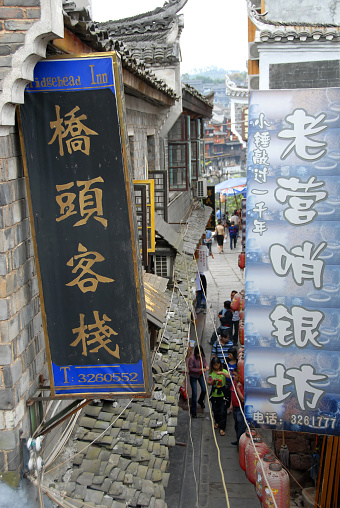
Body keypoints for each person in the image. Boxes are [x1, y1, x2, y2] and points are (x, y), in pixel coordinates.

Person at [208, 357, 230, 436]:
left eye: (217, 365)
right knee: (215, 410)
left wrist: (222, 373)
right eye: (215, 365)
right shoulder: (211, 373)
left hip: (222, 394)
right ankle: (217, 421)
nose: (216, 367)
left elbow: (229, 376)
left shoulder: (223, 371)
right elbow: (209, 382)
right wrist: (213, 381)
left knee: (222, 411)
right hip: (214, 394)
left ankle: (222, 427)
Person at [188, 345, 209, 418]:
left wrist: (206, 366)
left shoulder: (202, 356)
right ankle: (194, 411)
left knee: (204, 389)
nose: (200, 355)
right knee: (194, 393)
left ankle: (200, 400)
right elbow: (190, 369)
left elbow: (205, 362)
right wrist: (200, 370)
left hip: (200, 375)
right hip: (193, 376)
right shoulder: (192, 359)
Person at [231, 371, 246, 446]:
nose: (234, 377)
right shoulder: (233, 382)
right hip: (234, 407)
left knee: (241, 427)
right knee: (236, 426)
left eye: (235, 375)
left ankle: (240, 444)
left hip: (240, 408)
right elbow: (232, 393)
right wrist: (231, 405)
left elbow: (243, 399)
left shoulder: (242, 385)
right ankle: (238, 441)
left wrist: (238, 388)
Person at [225, 346, 238, 411]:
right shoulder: (226, 361)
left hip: (233, 382)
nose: (229, 356)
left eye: (230, 354)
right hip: (226, 382)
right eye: (228, 354)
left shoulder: (237, 362)